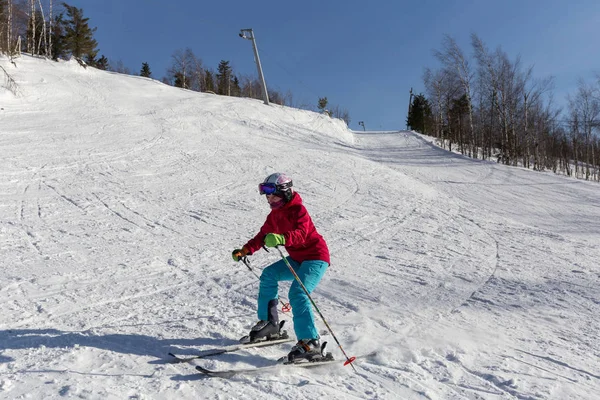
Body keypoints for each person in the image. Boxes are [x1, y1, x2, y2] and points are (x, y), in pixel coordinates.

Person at [232, 172, 330, 362]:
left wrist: (283, 238)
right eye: (267, 195)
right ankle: (270, 324)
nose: (269, 198)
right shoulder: (274, 215)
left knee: (298, 292)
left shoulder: (299, 211)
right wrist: (245, 250)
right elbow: (262, 236)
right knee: (268, 275)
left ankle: (310, 342)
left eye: (273, 194)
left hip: (316, 257)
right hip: (297, 259)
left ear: (285, 193)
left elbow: (302, 233)